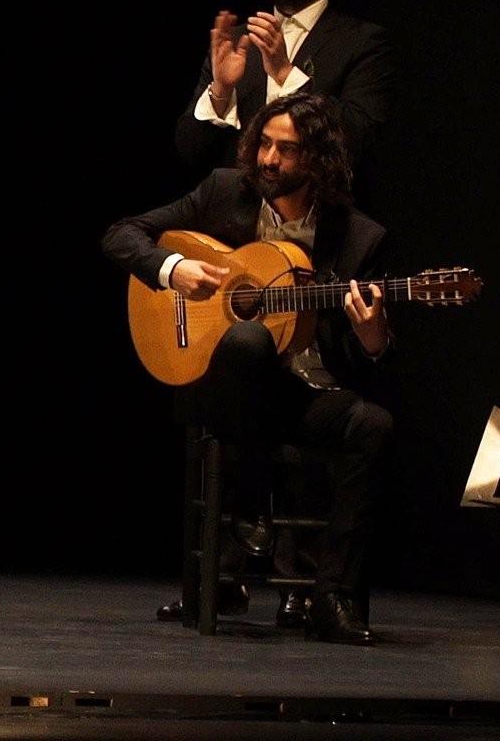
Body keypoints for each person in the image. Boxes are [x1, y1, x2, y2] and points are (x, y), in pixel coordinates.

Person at [105, 91, 394, 645]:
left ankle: (330, 596)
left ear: (318, 162)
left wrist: (372, 334)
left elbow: (373, 358)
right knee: (246, 339)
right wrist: (173, 268)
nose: (267, 159)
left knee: (374, 424)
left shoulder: (358, 237)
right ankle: (251, 499)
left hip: (301, 394)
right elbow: (120, 234)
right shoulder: (223, 193)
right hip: (216, 385)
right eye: (264, 143)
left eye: (286, 150)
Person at [174, 0, 397, 198]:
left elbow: (358, 139)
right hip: (234, 224)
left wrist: (284, 74)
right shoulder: (240, 41)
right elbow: (188, 150)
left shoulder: (362, 41)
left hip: (318, 220)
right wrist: (221, 90)